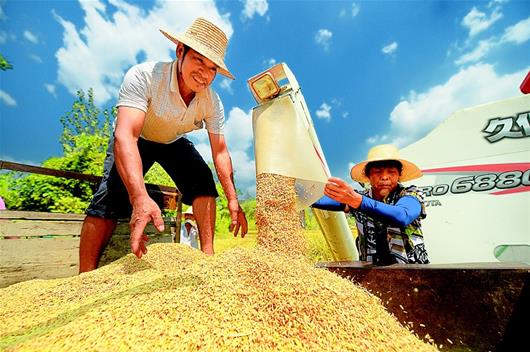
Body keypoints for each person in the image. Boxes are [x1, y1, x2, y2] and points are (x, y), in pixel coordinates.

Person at [79, 18, 248, 273]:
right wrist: (138, 198)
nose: (204, 73)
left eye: (212, 68)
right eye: (199, 60)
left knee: (203, 179)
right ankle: (85, 275)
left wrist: (233, 200)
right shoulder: (144, 76)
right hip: (138, 137)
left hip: (173, 141)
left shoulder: (212, 102)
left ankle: (208, 262)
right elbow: (125, 135)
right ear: (180, 51)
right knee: (109, 194)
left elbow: (220, 152)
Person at [313, 144, 429, 265]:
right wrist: (295, 192)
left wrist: (357, 201)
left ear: (399, 175)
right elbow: (317, 199)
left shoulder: (411, 194)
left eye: (391, 172)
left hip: (412, 273)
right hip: (371, 273)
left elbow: (402, 216)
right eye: (378, 171)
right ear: (368, 176)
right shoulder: (359, 197)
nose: (384, 177)